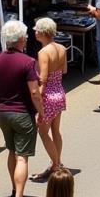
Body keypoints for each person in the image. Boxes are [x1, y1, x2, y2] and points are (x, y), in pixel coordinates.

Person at [0, 20, 43, 197]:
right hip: (23, 113)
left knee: (11, 151)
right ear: (20, 39)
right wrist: (42, 113)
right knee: (22, 157)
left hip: (3, 113)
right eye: (25, 36)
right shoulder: (28, 62)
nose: (26, 39)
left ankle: (14, 189)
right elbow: (35, 92)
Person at [30, 17, 68, 184]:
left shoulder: (43, 52)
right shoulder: (61, 47)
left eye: (37, 29)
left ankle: (56, 164)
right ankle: (55, 163)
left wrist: (37, 99)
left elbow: (43, 79)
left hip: (48, 96)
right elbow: (64, 69)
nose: (34, 32)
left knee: (43, 132)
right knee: (55, 130)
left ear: (44, 32)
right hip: (59, 92)